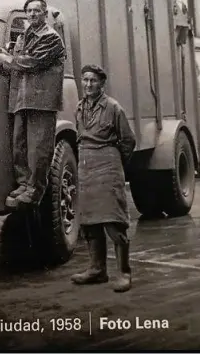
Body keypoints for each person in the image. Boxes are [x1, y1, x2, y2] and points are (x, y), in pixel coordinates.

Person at [0, 0, 66, 209]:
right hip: (22, 100)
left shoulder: (50, 37)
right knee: (20, 146)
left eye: (37, 11)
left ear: (45, 14)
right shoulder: (24, 37)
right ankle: (24, 184)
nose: (32, 15)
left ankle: (34, 190)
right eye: (29, 11)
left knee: (38, 150)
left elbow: (32, 62)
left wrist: (7, 59)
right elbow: (16, 64)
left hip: (41, 101)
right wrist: (7, 57)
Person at [70, 64, 137, 293]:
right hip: (86, 168)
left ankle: (124, 273)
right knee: (89, 223)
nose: (88, 85)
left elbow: (128, 141)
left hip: (107, 167)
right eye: (85, 80)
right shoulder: (79, 107)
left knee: (113, 222)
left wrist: (114, 163)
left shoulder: (112, 107)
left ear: (102, 83)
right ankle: (97, 270)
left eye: (93, 81)